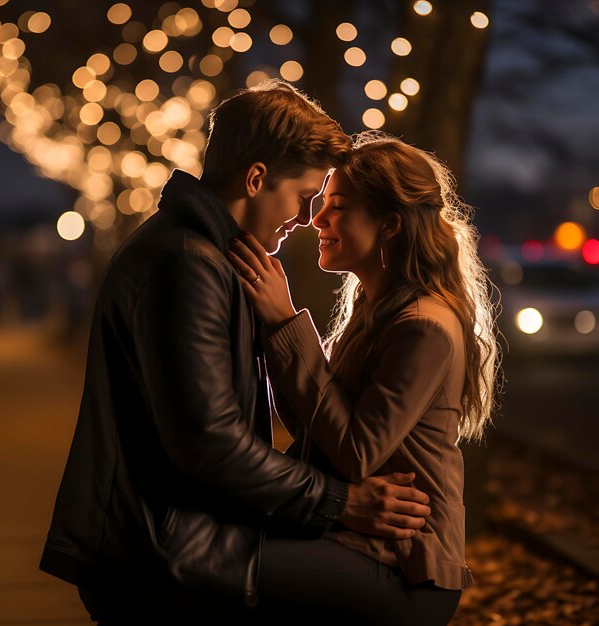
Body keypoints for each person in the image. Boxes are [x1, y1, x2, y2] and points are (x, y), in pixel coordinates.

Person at [39, 83, 433, 624]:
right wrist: (342, 503)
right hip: (160, 551)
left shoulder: (207, 256)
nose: (304, 217)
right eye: (302, 195)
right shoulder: (188, 264)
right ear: (256, 179)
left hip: (173, 537)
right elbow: (210, 443)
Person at [227, 132, 502, 625]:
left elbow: (356, 450)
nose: (317, 219)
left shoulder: (424, 325)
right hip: (355, 543)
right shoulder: (373, 309)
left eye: (339, 207)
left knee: (217, 564)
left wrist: (285, 323)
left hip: (403, 567)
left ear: (390, 224)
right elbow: (316, 422)